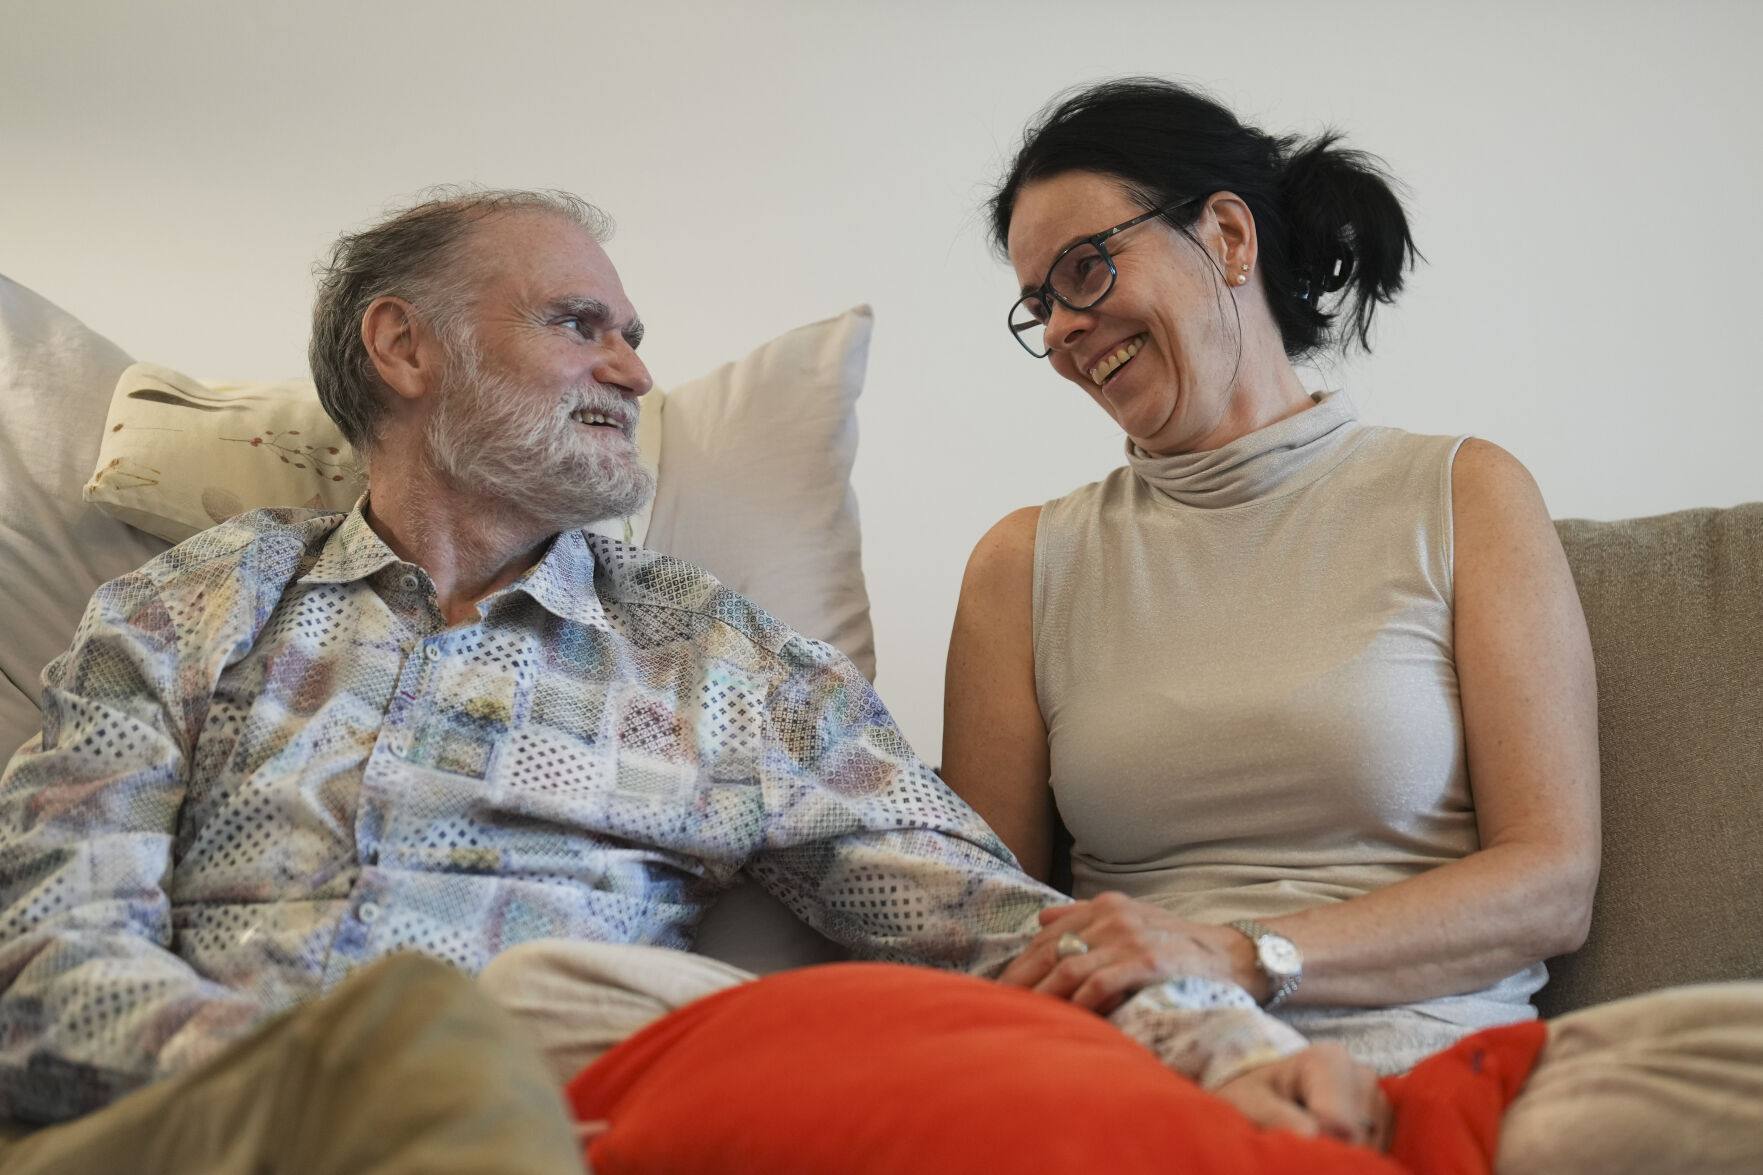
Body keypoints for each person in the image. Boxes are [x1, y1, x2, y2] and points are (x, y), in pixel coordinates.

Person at [0, 187, 1388, 1172]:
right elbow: (46, 956)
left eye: (631, 331)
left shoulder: (717, 661)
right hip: (179, 1132)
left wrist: (1223, 1048)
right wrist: (327, 1075)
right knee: (424, 1041)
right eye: (577, 322)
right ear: (404, 347)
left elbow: (984, 918)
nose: (632, 366)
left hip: (564, 1116)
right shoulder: (184, 607)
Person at [943, 77, 1763, 1172]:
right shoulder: (1021, 565)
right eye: (1037, 302)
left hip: (1427, 1060)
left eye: (1084, 270)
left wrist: (1243, 955)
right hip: (1150, 1077)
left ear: (1225, 234)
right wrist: (1206, 1026)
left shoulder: (1461, 492)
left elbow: (1548, 881)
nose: (1060, 330)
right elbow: (980, 921)